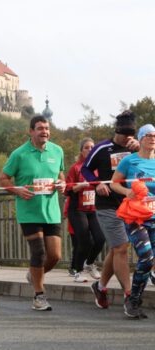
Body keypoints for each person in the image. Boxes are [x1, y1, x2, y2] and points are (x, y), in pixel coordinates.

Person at [0, 115, 65, 311]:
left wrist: (62, 183)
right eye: (40, 128)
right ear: (31, 131)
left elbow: (60, 174)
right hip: (29, 211)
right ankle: (39, 295)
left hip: (51, 211)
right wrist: (17, 189)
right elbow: (3, 178)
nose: (44, 131)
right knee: (38, 252)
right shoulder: (19, 154)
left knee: (54, 256)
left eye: (46, 128)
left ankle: (34, 275)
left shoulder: (57, 150)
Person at [82, 110, 139, 310]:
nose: (127, 139)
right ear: (117, 131)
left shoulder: (136, 149)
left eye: (131, 135)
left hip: (130, 205)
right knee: (122, 248)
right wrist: (96, 183)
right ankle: (129, 295)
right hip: (107, 205)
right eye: (125, 135)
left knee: (116, 249)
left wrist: (141, 149)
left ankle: (101, 286)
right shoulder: (102, 148)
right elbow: (85, 169)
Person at [110, 123, 155, 319]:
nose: (153, 139)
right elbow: (114, 183)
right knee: (146, 257)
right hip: (135, 218)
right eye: (149, 136)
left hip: (154, 216)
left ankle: (135, 298)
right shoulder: (129, 161)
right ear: (141, 139)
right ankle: (133, 300)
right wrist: (127, 191)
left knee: (150, 261)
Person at [64, 138, 105, 283]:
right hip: (77, 209)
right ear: (81, 151)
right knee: (84, 241)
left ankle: (89, 263)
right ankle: (77, 271)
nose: (90, 149)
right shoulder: (76, 168)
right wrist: (81, 185)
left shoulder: (98, 168)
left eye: (92, 147)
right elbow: (67, 189)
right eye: (87, 147)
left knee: (100, 238)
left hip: (93, 209)